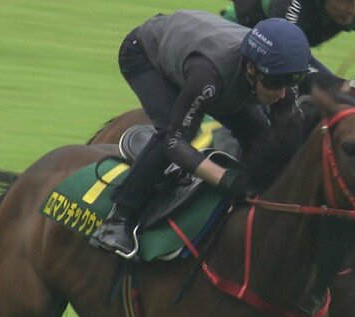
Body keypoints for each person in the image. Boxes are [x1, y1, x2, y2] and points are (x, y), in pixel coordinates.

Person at [91, 11, 314, 258]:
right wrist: (227, 179)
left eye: (289, 83)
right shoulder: (209, 76)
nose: (281, 94)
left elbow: (282, 139)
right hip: (144, 56)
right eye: (275, 83)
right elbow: (176, 144)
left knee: (262, 137)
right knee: (171, 131)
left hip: (205, 62)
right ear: (251, 68)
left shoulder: (276, 72)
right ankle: (118, 220)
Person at [222, 0, 355, 71]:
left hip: (277, 49)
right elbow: (288, 59)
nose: (354, 9)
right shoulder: (294, 3)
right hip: (236, 32)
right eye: (345, 0)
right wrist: (341, 85)